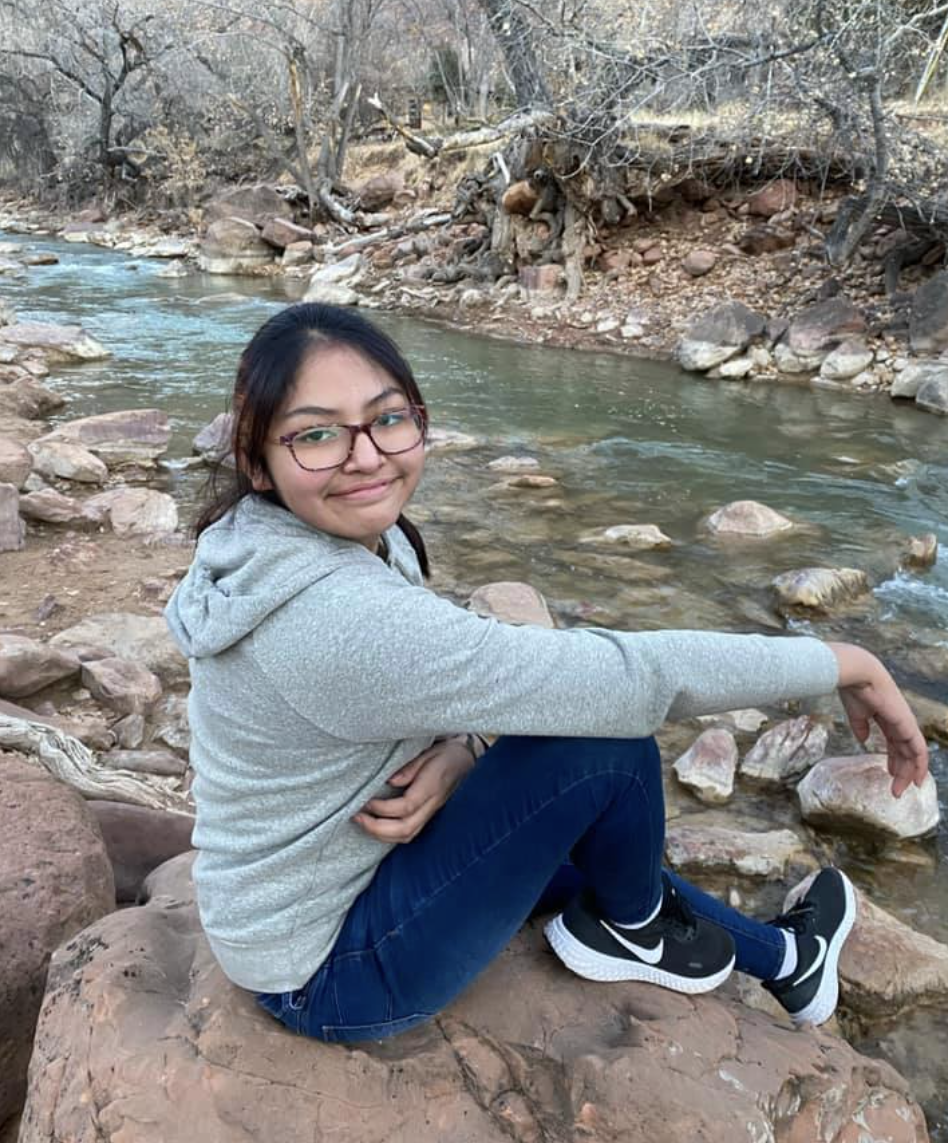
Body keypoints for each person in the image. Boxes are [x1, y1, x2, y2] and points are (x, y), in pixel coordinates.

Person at [166, 302, 929, 1044]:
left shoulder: (277, 540)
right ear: (256, 462)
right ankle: (641, 929)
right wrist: (847, 661)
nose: (366, 456)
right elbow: (629, 682)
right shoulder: (335, 614)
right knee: (602, 748)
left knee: (576, 832)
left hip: (326, 885)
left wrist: (466, 752)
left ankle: (786, 961)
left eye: (389, 418)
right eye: (317, 435)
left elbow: (433, 682)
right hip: (331, 971)